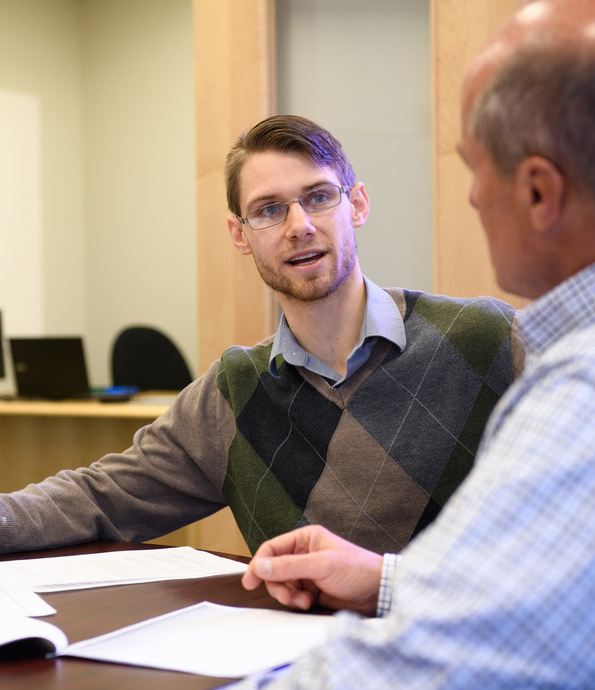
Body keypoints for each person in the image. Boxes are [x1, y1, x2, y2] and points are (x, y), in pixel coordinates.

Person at [0, 115, 522, 571]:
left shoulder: (483, 340)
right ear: (239, 233)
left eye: (317, 197)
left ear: (355, 204)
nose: (299, 225)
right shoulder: (234, 395)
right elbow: (105, 495)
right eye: (269, 209)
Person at [237, 0, 595, 686]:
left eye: (474, 168)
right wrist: (385, 580)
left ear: (539, 192)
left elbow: (452, 656)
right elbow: (533, 588)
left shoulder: (567, 386)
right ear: (240, 231)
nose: (470, 199)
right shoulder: (234, 384)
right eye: (268, 210)